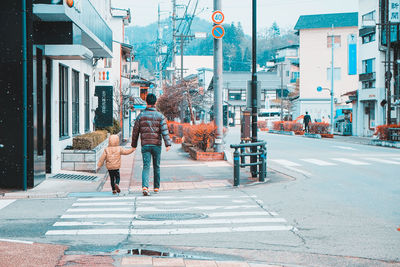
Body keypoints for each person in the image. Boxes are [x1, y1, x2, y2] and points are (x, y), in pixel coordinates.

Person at [131, 93, 171, 196]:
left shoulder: (141, 116)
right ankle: (156, 187)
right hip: (156, 145)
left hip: (145, 145)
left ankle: (145, 187)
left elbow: (135, 131)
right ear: (155, 102)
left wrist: (133, 145)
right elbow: (164, 131)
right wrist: (168, 144)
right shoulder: (160, 116)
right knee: (156, 166)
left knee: (146, 166)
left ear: (146, 102)